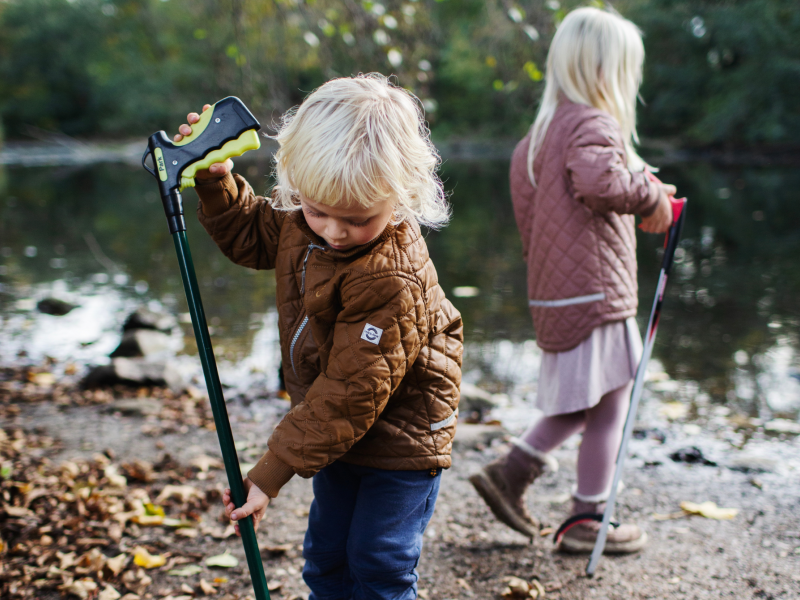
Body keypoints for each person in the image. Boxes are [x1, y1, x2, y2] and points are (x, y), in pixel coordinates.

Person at [174, 74, 463, 599]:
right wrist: (214, 182)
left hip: (401, 439)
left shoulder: (392, 277)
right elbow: (250, 235)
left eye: (356, 219)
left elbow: (350, 394)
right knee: (327, 558)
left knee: (379, 563)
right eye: (315, 210)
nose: (331, 231)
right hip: (335, 434)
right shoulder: (303, 222)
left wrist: (269, 474)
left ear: (401, 197)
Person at [469, 6, 676, 554]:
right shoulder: (591, 122)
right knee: (610, 405)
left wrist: (640, 184)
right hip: (596, 289)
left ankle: (511, 472)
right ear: (606, 72)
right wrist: (651, 194)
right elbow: (598, 181)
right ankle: (587, 521)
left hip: (556, 292)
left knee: (589, 401)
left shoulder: (537, 137)